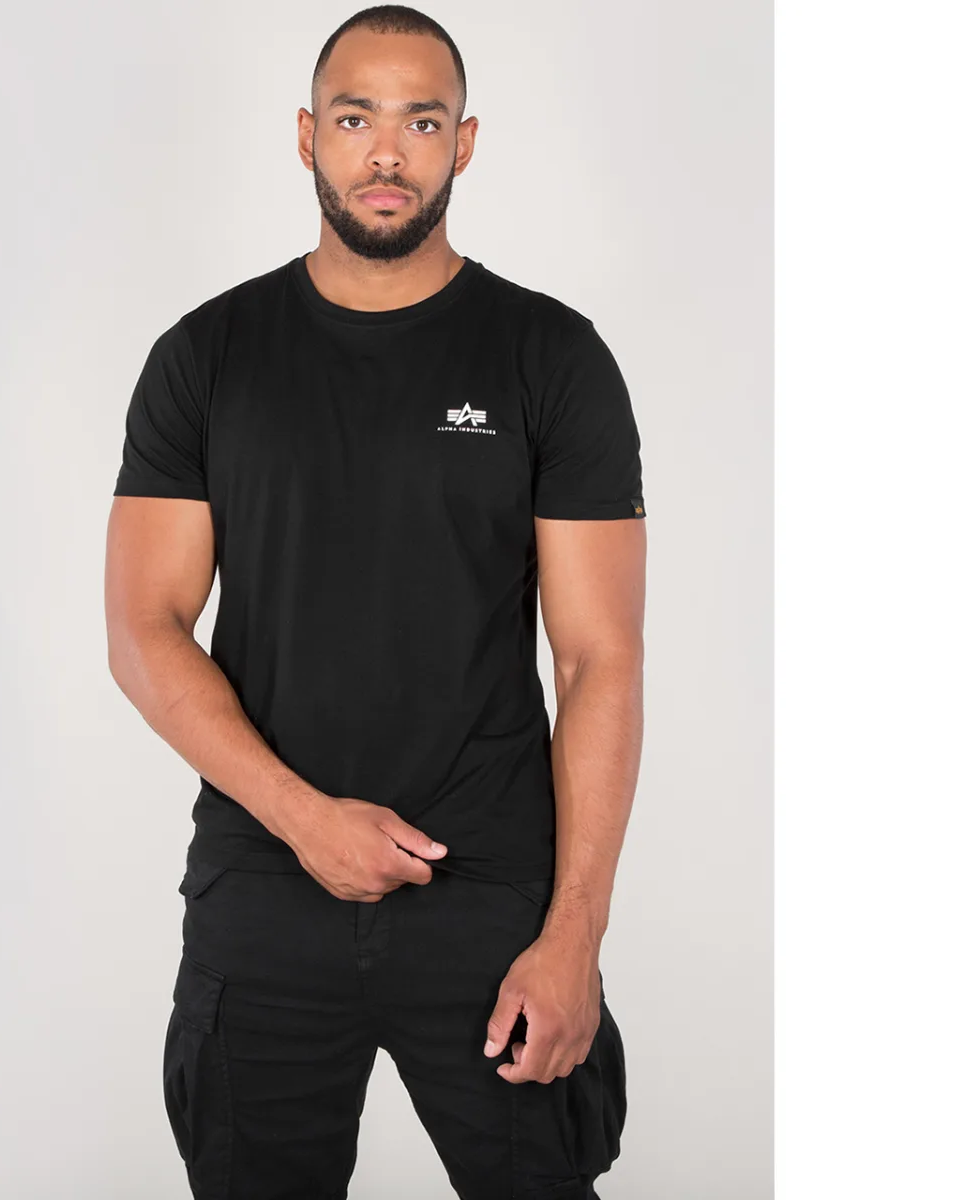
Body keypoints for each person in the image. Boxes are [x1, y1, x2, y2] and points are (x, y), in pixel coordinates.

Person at [104, 6, 646, 1197]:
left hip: (491, 892)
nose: (388, 152)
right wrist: (304, 819)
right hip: (265, 881)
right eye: (356, 120)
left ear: (465, 144)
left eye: (422, 122)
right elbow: (144, 630)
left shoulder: (551, 358)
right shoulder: (208, 357)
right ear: (307, 136)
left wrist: (575, 935)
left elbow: (599, 658)